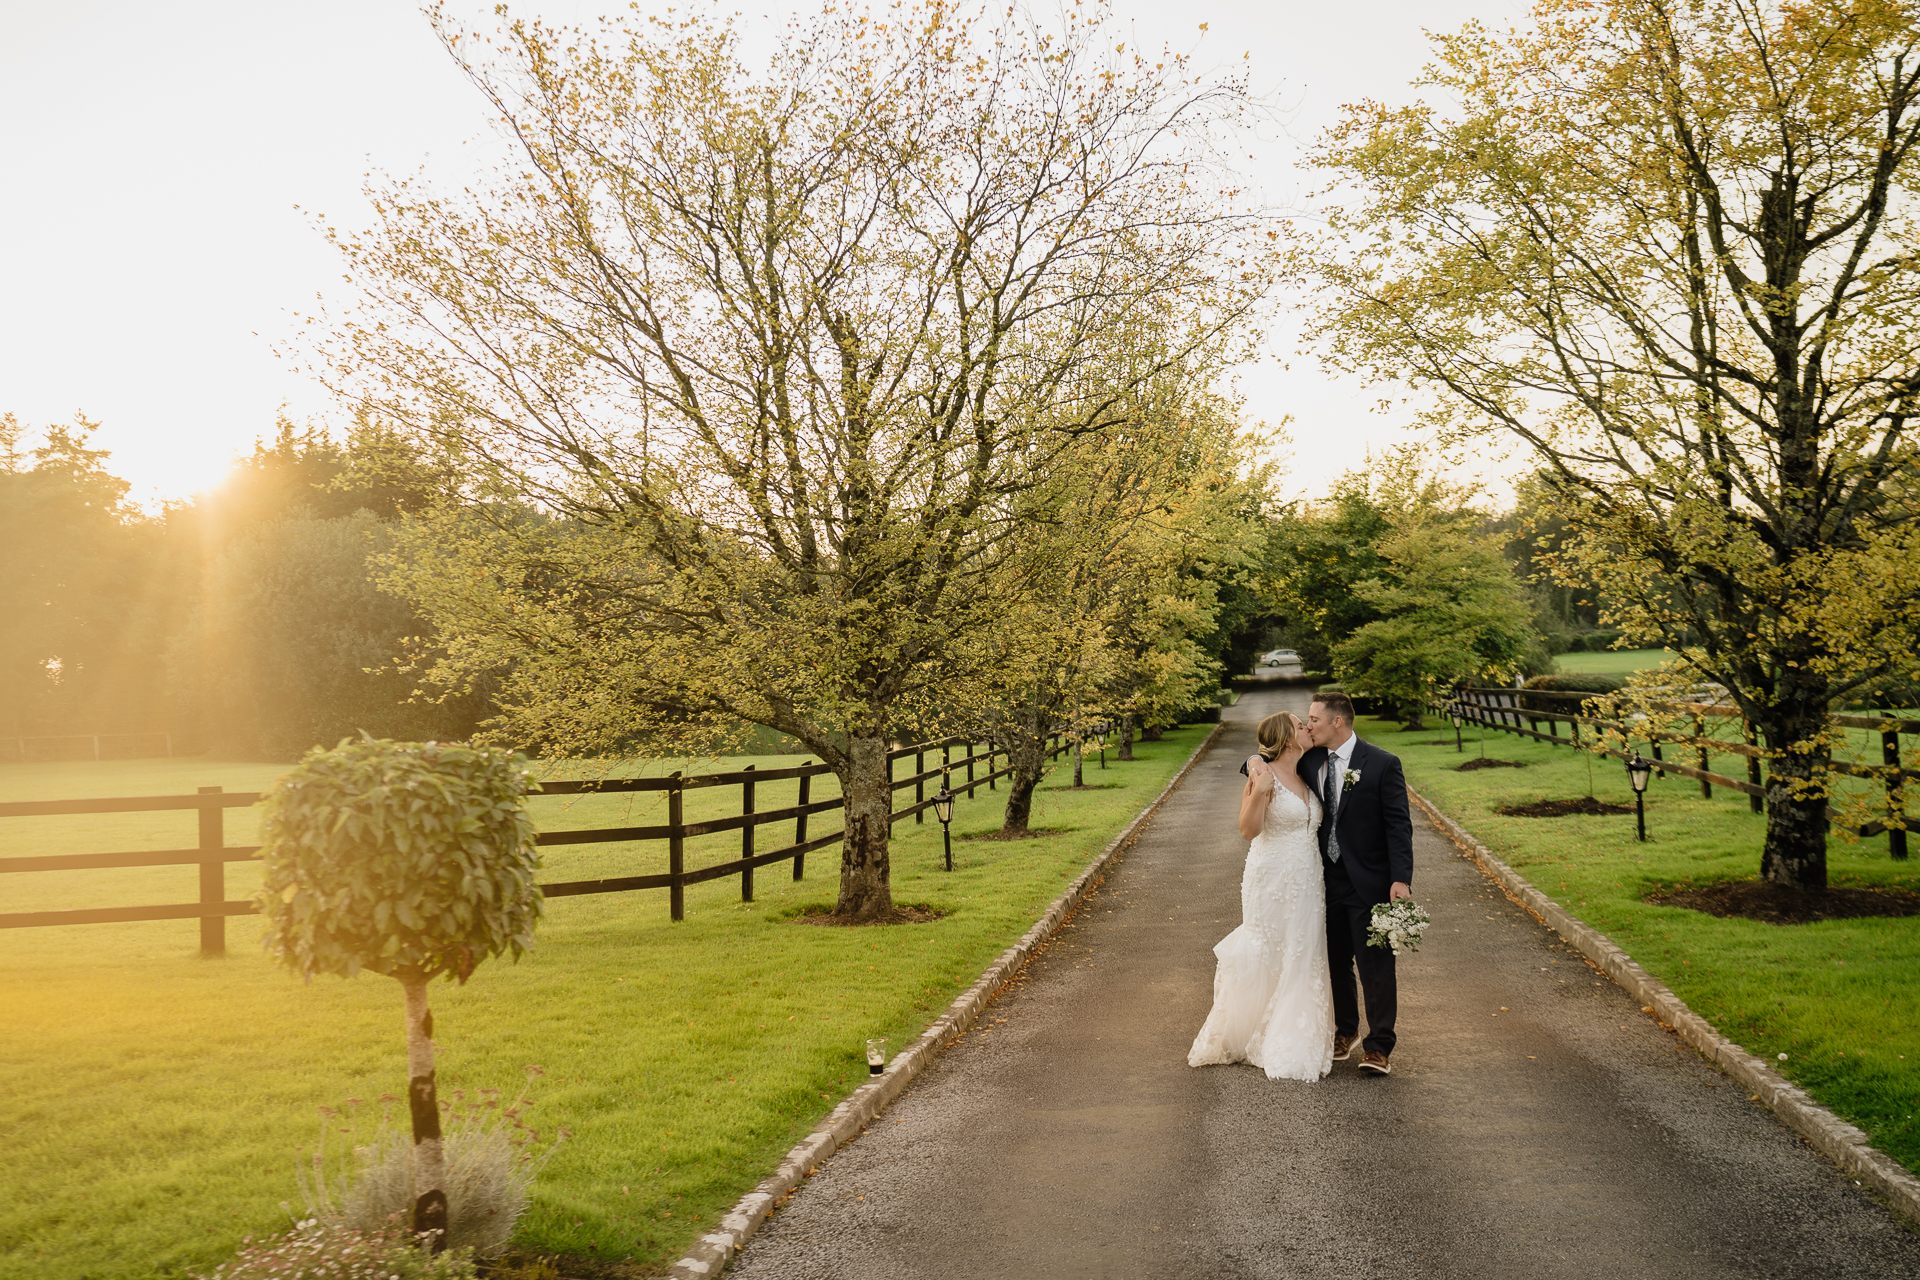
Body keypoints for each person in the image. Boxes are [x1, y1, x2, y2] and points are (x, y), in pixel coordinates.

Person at [1187, 710, 1334, 1081]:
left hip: (1308, 877)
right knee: (1269, 947)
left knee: (1303, 947)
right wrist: (1260, 792)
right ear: (1287, 738)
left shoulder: (1308, 770)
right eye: (1302, 726)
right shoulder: (1262, 775)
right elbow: (1248, 830)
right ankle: (1255, 1030)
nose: (1309, 729)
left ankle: (1298, 1028)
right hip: (1269, 875)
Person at [1299, 690, 1414, 1075]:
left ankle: (1379, 1046)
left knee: (1375, 966)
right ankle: (1344, 1032)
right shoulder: (1309, 759)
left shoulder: (1382, 763)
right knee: (1333, 961)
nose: (1308, 724)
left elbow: (1399, 826)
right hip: (1324, 881)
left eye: (1314, 719)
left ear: (1338, 721)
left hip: (1370, 882)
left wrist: (1401, 878)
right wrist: (1252, 759)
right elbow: (1264, 764)